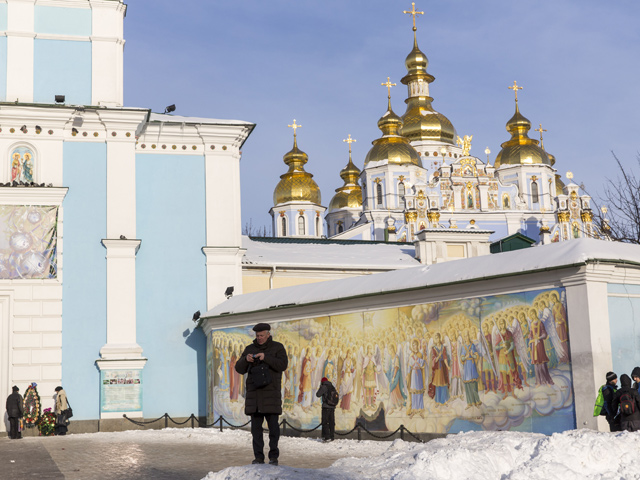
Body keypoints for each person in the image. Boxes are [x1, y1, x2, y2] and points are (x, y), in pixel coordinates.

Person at [235, 323, 288, 466]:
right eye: (257, 336)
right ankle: (258, 457)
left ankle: (273, 457)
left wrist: (265, 357)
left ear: (268, 334)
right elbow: (239, 369)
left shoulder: (278, 347)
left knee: (274, 430)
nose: (259, 338)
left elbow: (283, 365)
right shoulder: (249, 349)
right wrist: (246, 359)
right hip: (255, 397)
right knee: (256, 431)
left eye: (262, 335)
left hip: (271, 396)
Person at [316, 377, 337, 442]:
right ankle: (332, 436)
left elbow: (318, 394)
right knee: (331, 422)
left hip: (326, 407)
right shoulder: (332, 386)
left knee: (325, 422)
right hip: (332, 407)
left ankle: (326, 436)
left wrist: (320, 387)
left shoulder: (324, 387)